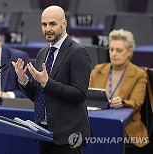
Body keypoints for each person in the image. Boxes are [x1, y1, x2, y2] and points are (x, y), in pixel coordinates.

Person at [12, 5, 91, 154]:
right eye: (44, 24)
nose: (48, 28)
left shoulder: (78, 52)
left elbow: (79, 94)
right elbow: (38, 96)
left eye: (52, 24)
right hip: (44, 133)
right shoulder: (43, 53)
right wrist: (24, 80)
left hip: (69, 136)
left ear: (64, 24)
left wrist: (47, 82)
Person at [89, 29, 149, 150]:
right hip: (96, 122)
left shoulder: (139, 74)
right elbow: (87, 96)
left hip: (127, 129)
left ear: (129, 52)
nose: (114, 54)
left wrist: (122, 103)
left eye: (119, 50)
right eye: (111, 50)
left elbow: (137, 103)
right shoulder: (98, 70)